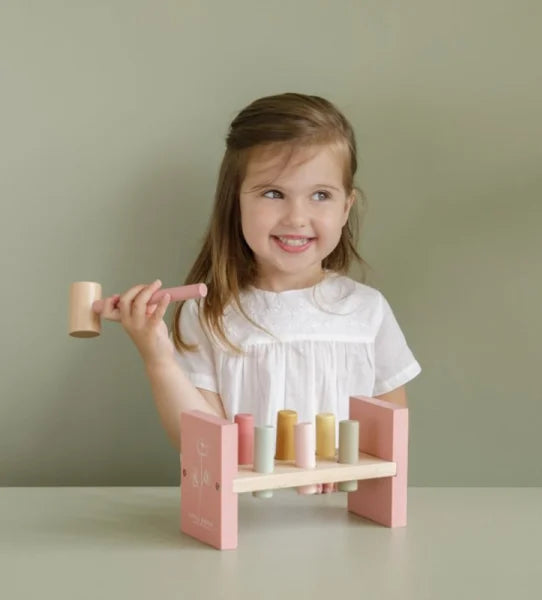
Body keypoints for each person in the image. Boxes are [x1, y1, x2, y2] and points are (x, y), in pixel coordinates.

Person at [103, 92, 422, 459]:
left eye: (320, 195)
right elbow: (199, 446)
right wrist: (157, 356)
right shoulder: (209, 314)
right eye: (273, 193)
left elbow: (392, 441)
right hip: (246, 514)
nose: (296, 218)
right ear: (234, 202)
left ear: (346, 206)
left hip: (345, 513)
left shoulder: (368, 311)